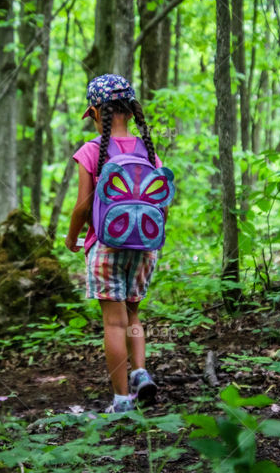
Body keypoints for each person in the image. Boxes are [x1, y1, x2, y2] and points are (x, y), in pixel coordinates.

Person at [65, 74, 167, 413]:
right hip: (145, 247)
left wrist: (71, 237)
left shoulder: (92, 151)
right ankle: (140, 373)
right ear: (130, 109)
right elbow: (161, 201)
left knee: (113, 322)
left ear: (96, 112)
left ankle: (122, 400)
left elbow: (82, 205)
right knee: (133, 313)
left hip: (106, 245)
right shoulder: (148, 150)